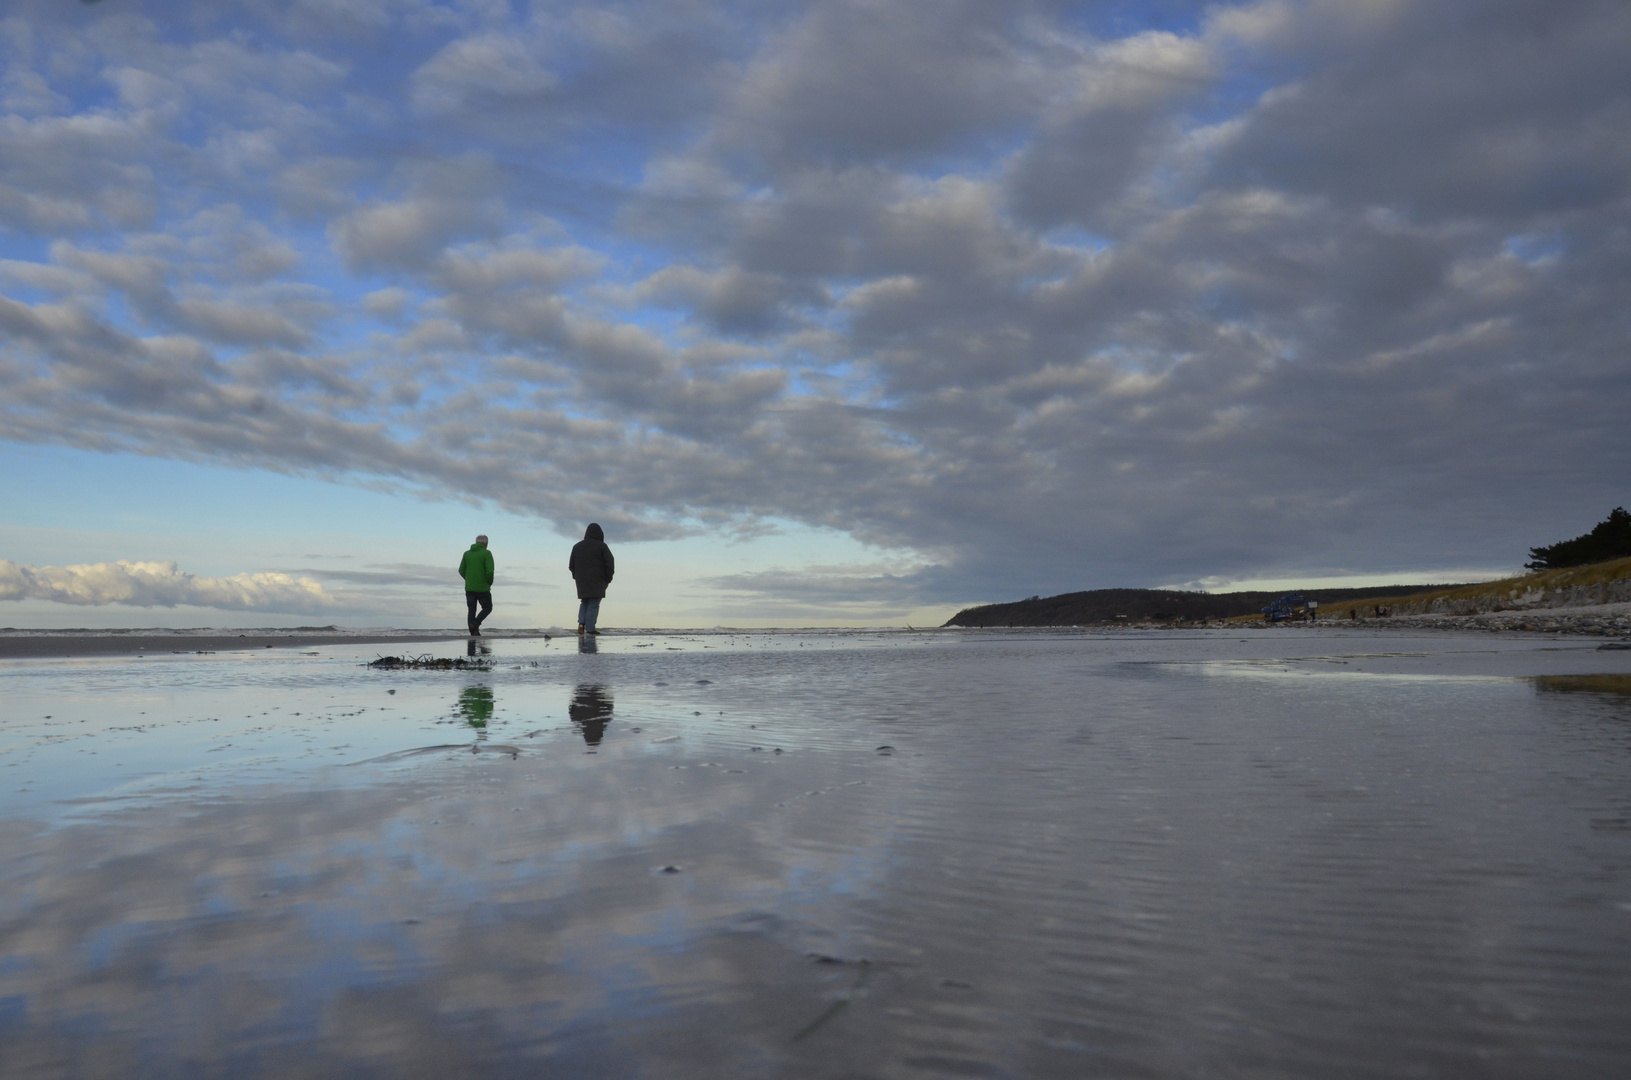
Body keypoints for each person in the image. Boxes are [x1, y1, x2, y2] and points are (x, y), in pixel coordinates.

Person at [569, 522, 614, 635]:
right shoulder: (602, 546)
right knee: (594, 603)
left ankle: (581, 624)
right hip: (598, 580)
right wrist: (608, 578)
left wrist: (576, 577)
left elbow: (571, 565)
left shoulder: (577, 546)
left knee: (584, 601)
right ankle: (590, 629)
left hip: (581, 581)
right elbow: (610, 563)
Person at [459, 534, 494, 636]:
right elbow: (490, 571)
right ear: (485, 543)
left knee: (471, 611)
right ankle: (476, 623)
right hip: (483, 587)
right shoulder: (486, 553)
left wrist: (469, 579)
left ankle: (473, 632)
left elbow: (461, 570)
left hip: (470, 587)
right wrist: (489, 582)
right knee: (487, 608)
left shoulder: (467, 554)